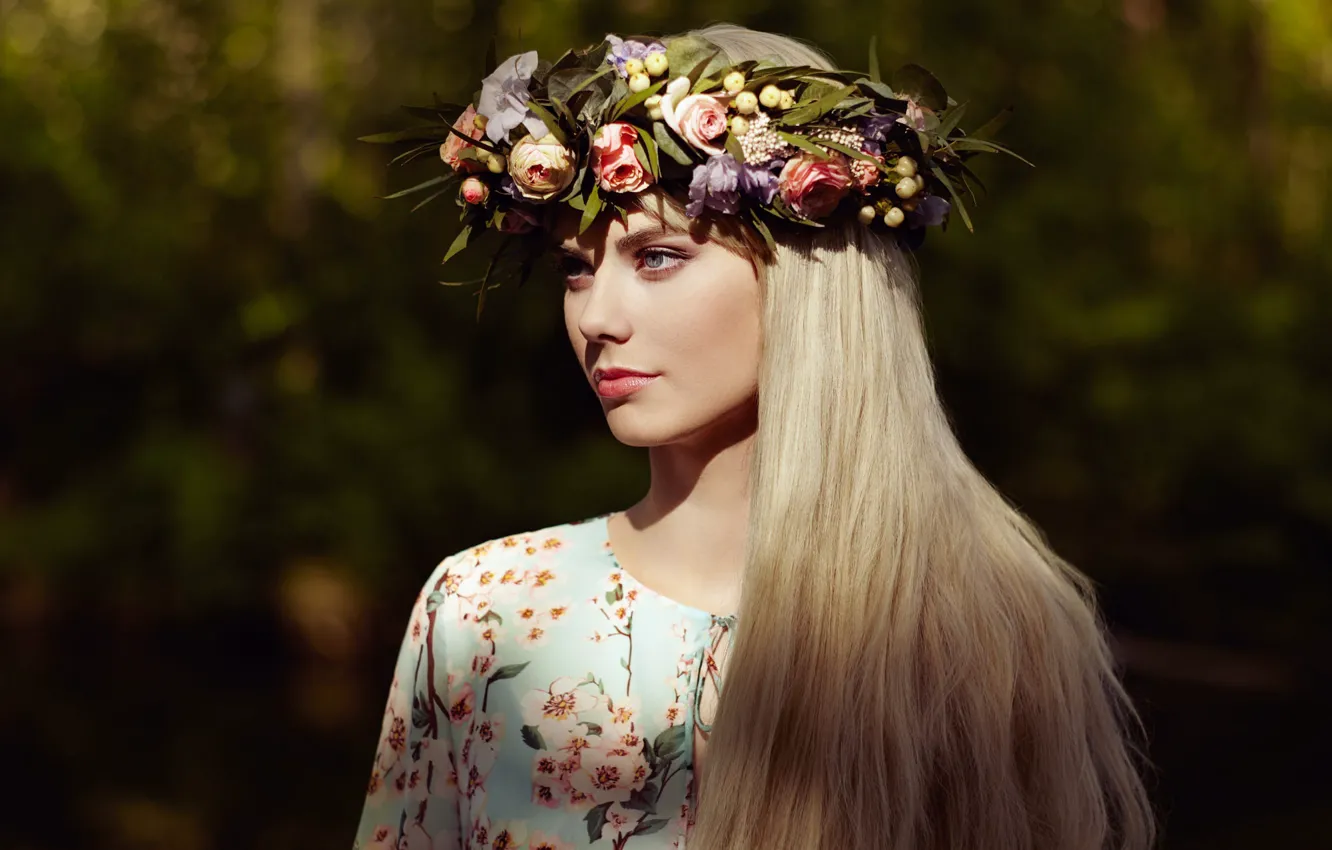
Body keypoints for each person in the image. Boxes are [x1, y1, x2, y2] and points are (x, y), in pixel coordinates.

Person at [353, 23, 1156, 850]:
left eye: (657, 257)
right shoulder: (487, 609)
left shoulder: (987, 630)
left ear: (805, 275)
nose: (595, 318)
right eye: (575, 268)